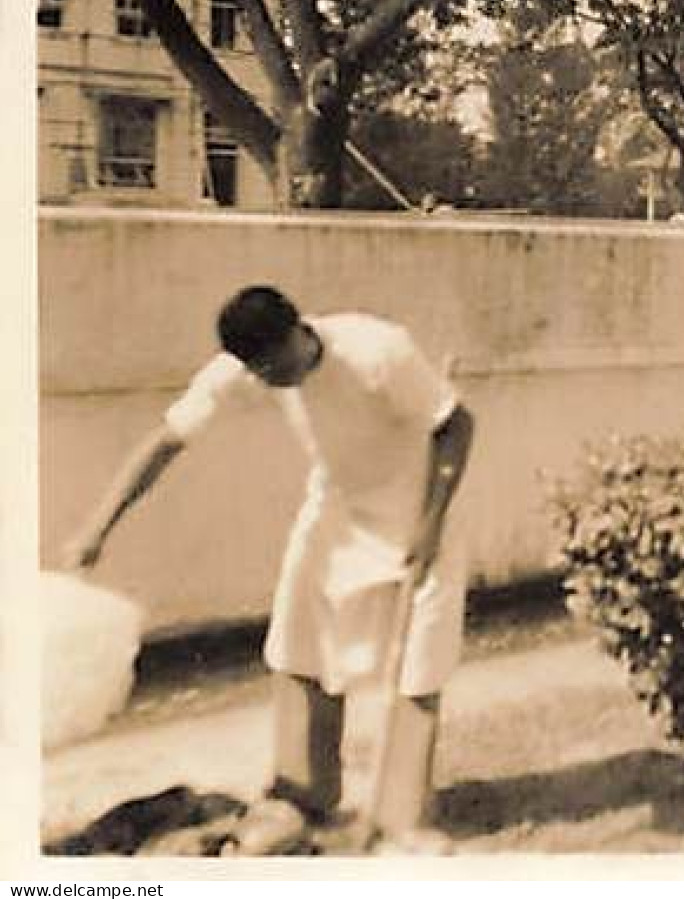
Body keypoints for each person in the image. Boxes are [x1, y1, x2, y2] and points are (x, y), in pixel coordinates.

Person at [63, 286, 476, 853]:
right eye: (257, 371)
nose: (267, 380)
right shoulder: (243, 371)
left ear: (298, 334)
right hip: (336, 508)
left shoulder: (378, 351)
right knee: (296, 645)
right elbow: (166, 442)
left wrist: (429, 523)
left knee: (415, 670)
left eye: (274, 366)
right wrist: (96, 528)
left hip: (418, 505)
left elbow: (456, 424)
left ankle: (403, 815)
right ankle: (305, 793)